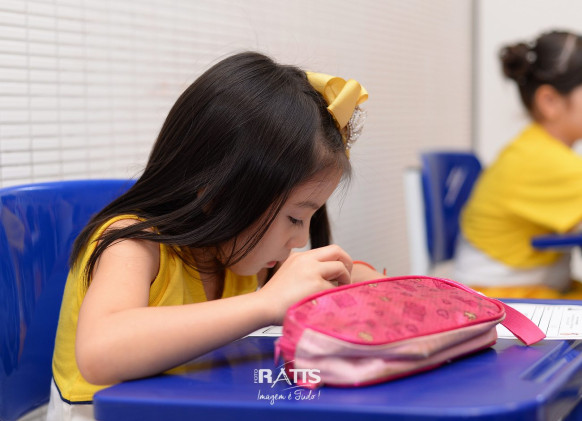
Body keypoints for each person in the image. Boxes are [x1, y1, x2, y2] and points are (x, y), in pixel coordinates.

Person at [47, 51, 381, 420]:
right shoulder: (131, 244)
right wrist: (265, 303)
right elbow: (100, 352)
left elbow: (309, 284)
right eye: (294, 217)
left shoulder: (239, 254)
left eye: (309, 218)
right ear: (217, 194)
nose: (300, 240)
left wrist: (352, 279)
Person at [454, 30, 582, 299]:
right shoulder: (544, 162)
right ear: (549, 101)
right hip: (499, 298)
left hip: (517, 288)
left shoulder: (532, 149)